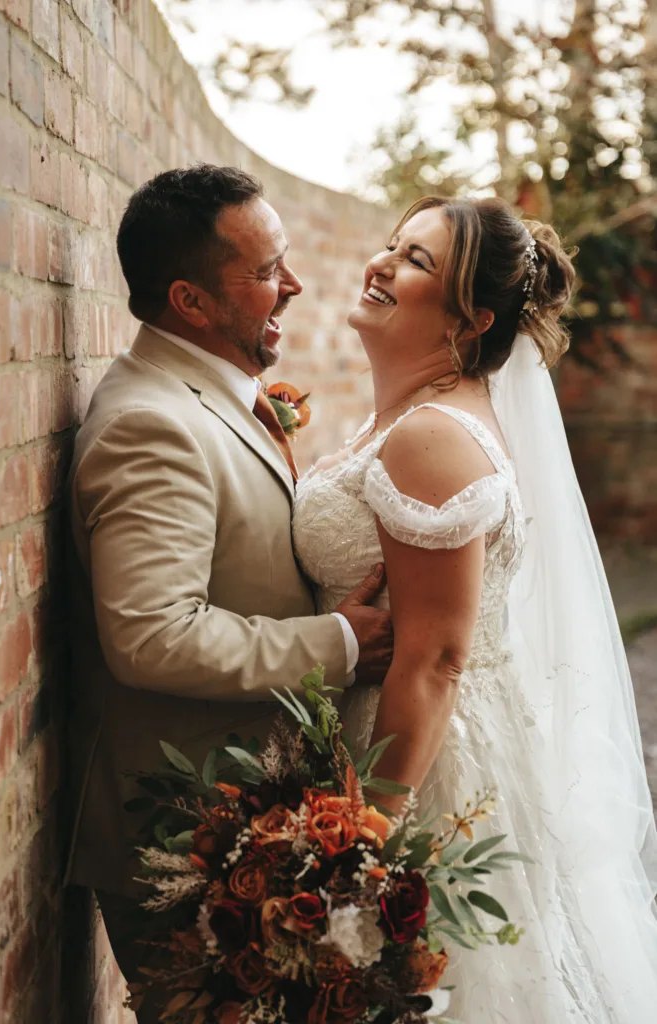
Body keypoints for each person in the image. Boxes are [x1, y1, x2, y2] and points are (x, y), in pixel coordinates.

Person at [293, 195, 657, 1021]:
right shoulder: (403, 422)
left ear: (471, 318)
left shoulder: (429, 437)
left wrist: (361, 849)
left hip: (418, 773)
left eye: (416, 261)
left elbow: (435, 658)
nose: (381, 263)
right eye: (392, 246)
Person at [63, 165, 393, 1023]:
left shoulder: (211, 395)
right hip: (182, 829)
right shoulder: (151, 424)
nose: (293, 284)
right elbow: (151, 636)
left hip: (249, 817)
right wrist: (340, 644)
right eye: (265, 271)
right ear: (190, 301)